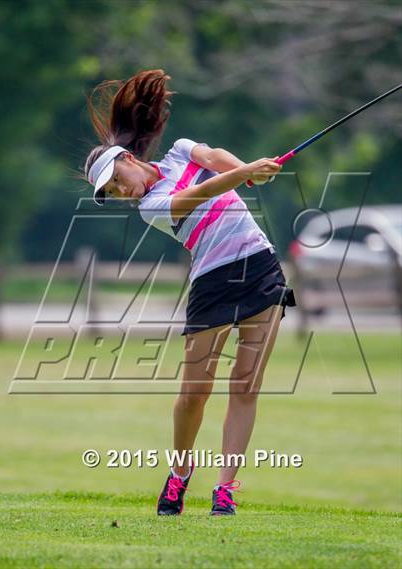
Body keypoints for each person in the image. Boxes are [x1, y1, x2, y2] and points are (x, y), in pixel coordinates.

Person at [83, 69, 296, 516]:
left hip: (261, 266)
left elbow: (215, 158)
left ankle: (226, 489)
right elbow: (195, 196)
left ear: (126, 158)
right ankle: (180, 474)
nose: (122, 192)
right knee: (193, 393)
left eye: (116, 181)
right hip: (213, 281)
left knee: (246, 384)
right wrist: (244, 174)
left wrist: (248, 171)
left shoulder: (181, 150)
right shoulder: (149, 207)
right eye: (113, 193)